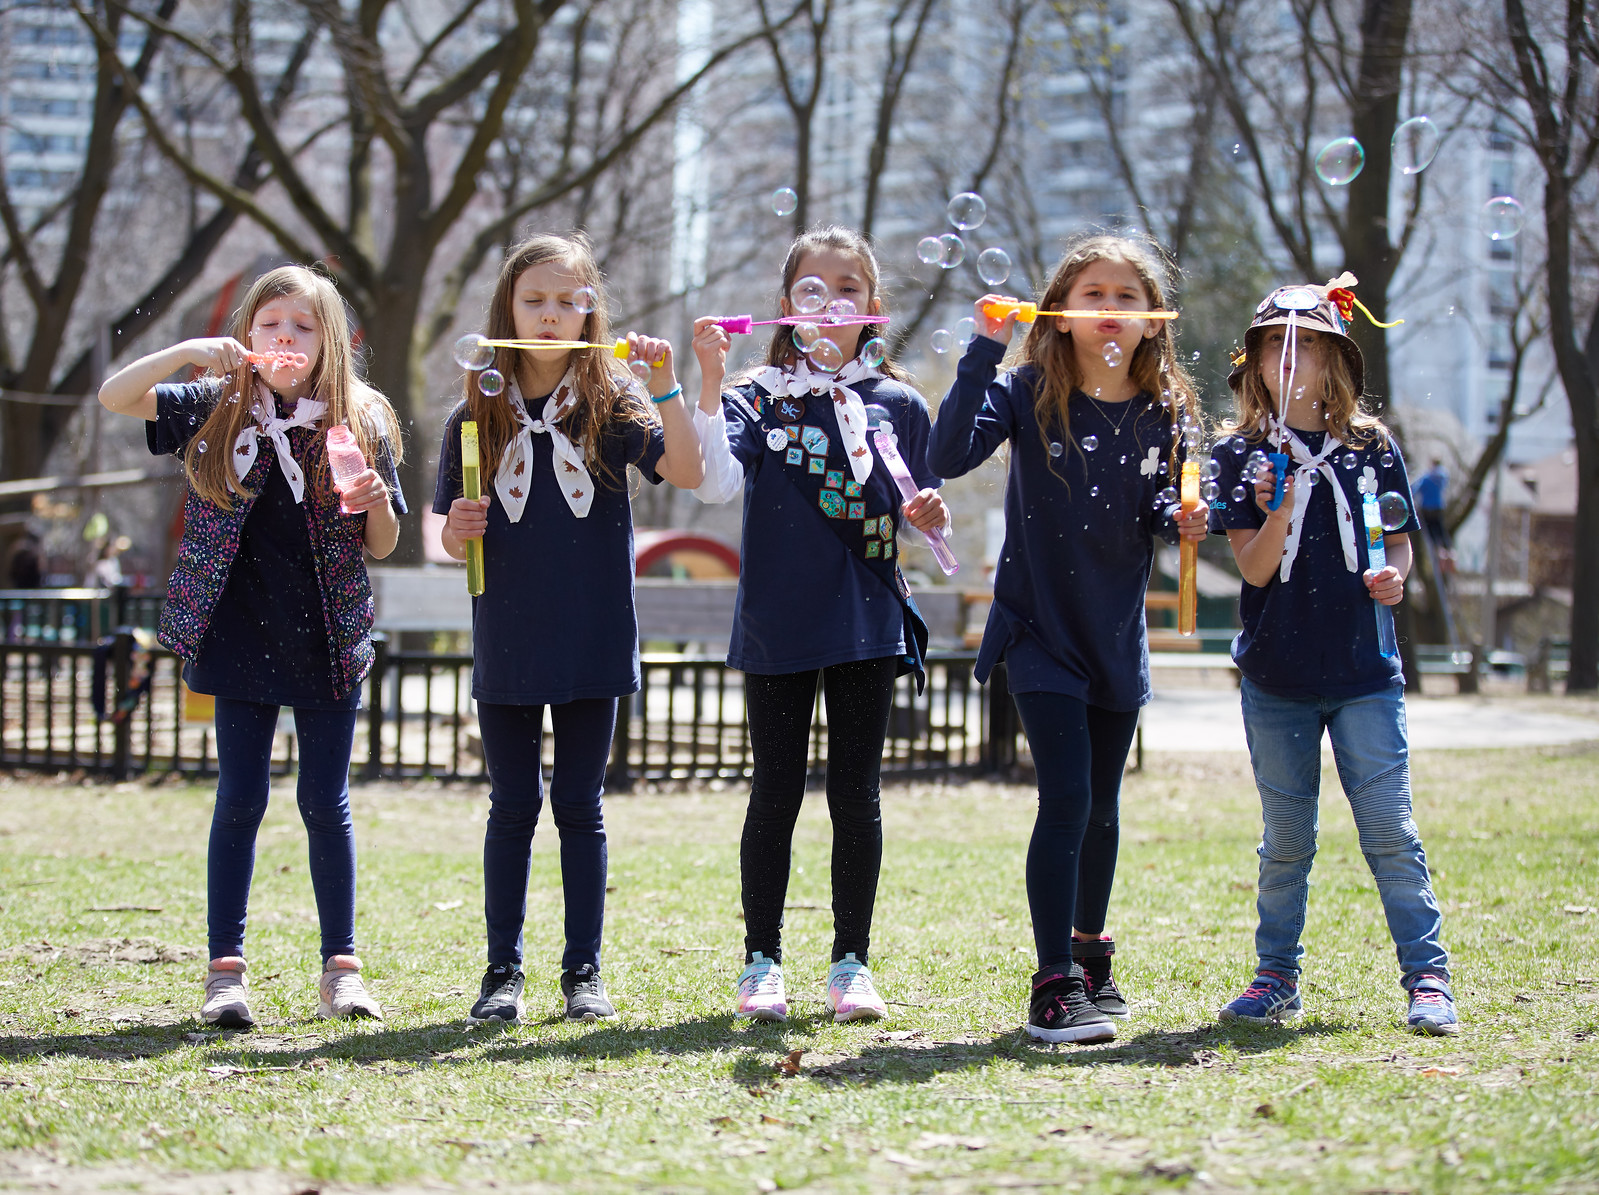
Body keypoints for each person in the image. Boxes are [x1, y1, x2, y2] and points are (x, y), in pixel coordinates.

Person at [97, 264, 405, 1029]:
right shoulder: (217, 403)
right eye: (270, 325)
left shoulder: (359, 417)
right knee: (238, 799)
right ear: (248, 335)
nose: (284, 339)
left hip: (329, 632)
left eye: (301, 327)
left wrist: (372, 501)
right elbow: (115, 396)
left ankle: (341, 969)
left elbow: (385, 541)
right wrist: (188, 353)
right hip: (236, 630)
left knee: (324, 803)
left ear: (328, 340)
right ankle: (225, 973)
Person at [927, 233, 1208, 1044]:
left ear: (1153, 320)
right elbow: (946, 453)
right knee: (1068, 797)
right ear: (1058, 310)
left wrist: (1193, 518)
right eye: (1092, 294)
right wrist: (982, 348)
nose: (1109, 309)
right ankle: (1051, 984)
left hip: (1114, 635)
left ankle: (1090, 953)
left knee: (1104, 807)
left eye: (1126, 296)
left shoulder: (1169, 413)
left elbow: (1163, 511)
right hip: (1036, 629)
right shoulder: (1024, 390)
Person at [436, 233, 703, 1024]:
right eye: (533, 301)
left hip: (592, 635)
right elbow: (453, 540)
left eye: (567, 301)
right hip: (509, 634)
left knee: (580, 806)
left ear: (590, 314)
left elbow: (686, 472)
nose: (550, 316)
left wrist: (666, 388)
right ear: (506, 309)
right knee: (511, 804)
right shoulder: (472, 412)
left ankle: (583, 972)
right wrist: (457, 528)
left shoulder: (616, 405)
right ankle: (501, 972)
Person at [690, 226, 948, 1024]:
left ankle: (850, 964)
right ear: (784, 307)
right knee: (772, 792)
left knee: (855, 795)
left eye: (848, 289)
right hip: (776, 624)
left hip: (865, 620)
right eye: (814, 287)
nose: (830, 302)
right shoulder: (752, 395)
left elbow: (918, 521)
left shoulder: (899, 403)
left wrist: (929, 517)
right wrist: (706, 381)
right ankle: (760, 961)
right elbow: (713, 486)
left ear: (872, 309)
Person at [1207, 277, 1457, 1036]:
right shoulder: (1238, 454)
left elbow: (1400, 536)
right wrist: (1277, 500)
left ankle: (1427, 976)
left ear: (1332, 360)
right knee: (1287, 839)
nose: (1290, 356)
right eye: (1274, 343)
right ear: (1251, 362)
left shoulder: (1371, 447)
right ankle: (1275, 977)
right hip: (1276, 678)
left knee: (1388, 829)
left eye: (1306, 341)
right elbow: (1252, 568)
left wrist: (1395, 575)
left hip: (1362, 675)